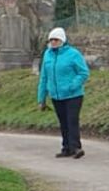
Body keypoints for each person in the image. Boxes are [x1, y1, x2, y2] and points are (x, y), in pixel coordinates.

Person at [36, 26, 90, 158]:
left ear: (63, 40)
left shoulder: (73, 54)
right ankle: (66, 147)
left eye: (56, 40)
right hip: (56, 95)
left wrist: (73, 85)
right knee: (63, 121)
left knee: (72, 120)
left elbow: (83, 72)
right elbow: (44, 77)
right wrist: (41, 98)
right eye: (51, 40)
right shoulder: (47, 55)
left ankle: (76, 147)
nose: (53, 42)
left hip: (73, 95)